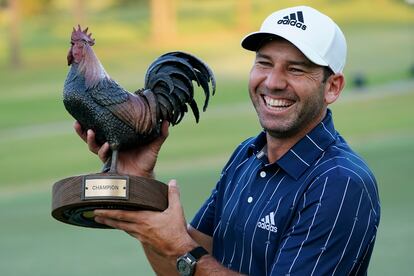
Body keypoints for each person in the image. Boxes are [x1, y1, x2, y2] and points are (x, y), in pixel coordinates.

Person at [76, 5, 380, 276]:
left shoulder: (340, 183)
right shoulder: (247, 155)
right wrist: (140, 184)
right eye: (264, 63)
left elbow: (186, 256)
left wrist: (182, 249)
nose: (273, 82)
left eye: (295, 69)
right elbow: (181, 267)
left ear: (333, 87)